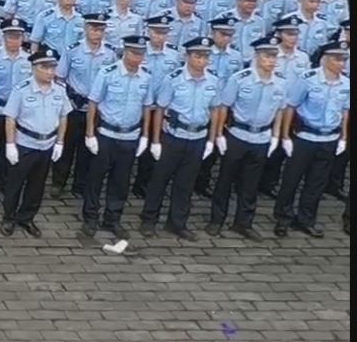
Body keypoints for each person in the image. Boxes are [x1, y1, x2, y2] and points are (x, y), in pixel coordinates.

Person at [139, 39, 223, 240]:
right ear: (187, 56)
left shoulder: (213, 81)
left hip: (198, 138)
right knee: (159, 180)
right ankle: (149, 219)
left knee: (185, 183)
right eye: (197, 56)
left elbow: (215, 110)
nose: (201, 60)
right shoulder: (173, 79)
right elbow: (160, 109)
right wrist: (156, 140)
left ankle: (177, 222)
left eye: (205, 56)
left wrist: (211, 140)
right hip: (173, 137)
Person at [78, 36, 154, 239]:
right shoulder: (108, 73)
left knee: (121, 181)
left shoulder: (146, 77)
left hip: (130, 136)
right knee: (96, 178)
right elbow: (93, 103)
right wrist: (90, 133)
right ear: (125, 52)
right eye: (134, 53)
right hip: (107, 134)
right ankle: (90, 217)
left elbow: (147, 107)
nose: (138, 58)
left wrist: (145, 136)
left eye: (141, 54)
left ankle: (113, 219)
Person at [208, 40, 285, 237]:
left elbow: (280, 111)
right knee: (225, 180)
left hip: (262, 138)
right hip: (238, 135)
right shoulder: (240, 79)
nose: (271, 61)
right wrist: (219, 134)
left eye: (274, 56)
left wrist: (276, 136)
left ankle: (243, 222)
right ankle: (217, 219)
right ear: (257, 56)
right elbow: (224, 106)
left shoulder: (281, 83)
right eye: (267, 56)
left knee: (251, 184)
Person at [272, 43, 347, 237]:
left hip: (329, 138)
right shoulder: (308, 79)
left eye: (343, 59)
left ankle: (306, 219)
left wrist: (344, 137)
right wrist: (286, 136)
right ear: (325, 59)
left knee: (317, 182)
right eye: (337, 59)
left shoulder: (346, 83)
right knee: (292, 179)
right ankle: (283, 218)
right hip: (305, 137)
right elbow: (291, 106)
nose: (341, 63)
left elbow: (345, 111)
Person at [0, 50, 69, 236]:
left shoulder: (60, 90)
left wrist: (60, 142)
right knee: (15, 183)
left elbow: (63, 116)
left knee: (37, 185)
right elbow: (10, 118)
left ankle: (27, 217)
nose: (50, 72)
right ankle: (9, 217)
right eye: (45, 68)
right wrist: (10, 144)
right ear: (34, 68)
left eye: (52, 68)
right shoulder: (21, 90)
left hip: (47, 145)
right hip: (25, 144)